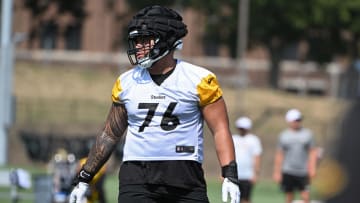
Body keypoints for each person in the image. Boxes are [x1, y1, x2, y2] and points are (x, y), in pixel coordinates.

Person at [69, 5, 240, 203]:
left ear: (166, 40)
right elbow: (110, 133)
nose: (138, 46)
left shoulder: (199, 79)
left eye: (145, 40)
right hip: (136, 178)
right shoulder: (126, 82)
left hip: (184, 177)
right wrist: (85, 177)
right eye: (136, 41)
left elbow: (220, 129)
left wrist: (230, 173)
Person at [272, 108, 318, 203]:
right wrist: (277, 171)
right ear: (289, 121)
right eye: (295, 120)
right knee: (289, 196)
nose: (297, 122)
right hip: (288, 170)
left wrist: (312, 168)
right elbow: (279, 154)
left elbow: (313, 152)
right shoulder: (284, 135)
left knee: (305, 196)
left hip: (303, 171)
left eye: (299, 120)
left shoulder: (307, 134)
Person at [232, 117, 262, 203]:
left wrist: (256, 173)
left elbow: (257, 156)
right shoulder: (233, 138)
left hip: (247, 175)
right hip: (234, 174)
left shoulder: (253, 140)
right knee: (234, 198)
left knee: (246, 198)